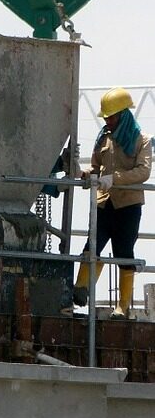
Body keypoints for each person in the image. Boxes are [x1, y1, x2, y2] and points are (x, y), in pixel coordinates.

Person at [72, 87, 152, 319]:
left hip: (128, 206)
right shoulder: (103, 139)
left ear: (123, 116)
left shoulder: (142, 141)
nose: (108, 121)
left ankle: (122, 306)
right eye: (106, 117)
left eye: (112, 117)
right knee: (92, 246)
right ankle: (81, 288)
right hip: (104, 203)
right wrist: (85, 174)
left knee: (124, 252)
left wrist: (113, 179)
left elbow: (143, 172)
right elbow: (96, 168)